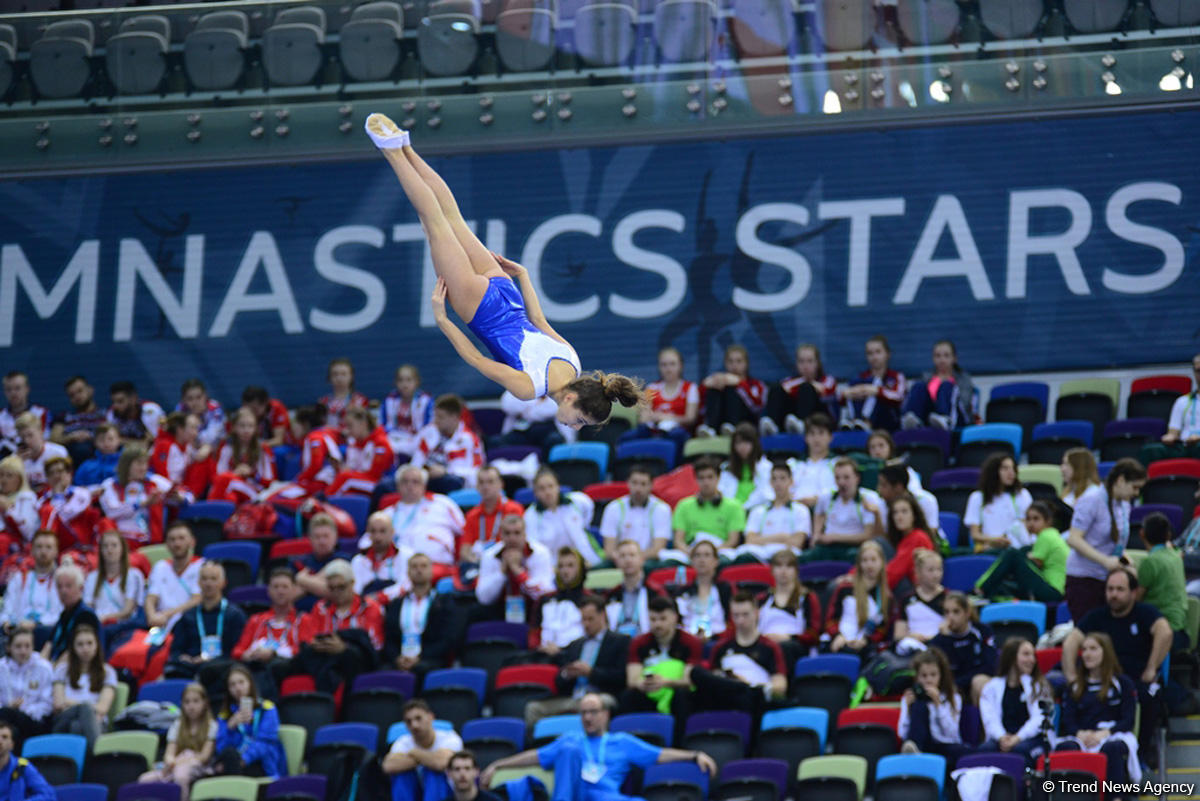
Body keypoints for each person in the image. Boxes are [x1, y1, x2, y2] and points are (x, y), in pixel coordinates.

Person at [366, 113, 643, 423]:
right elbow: (474, 358)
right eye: (579, 420)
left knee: (452, 217)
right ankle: (391, 149)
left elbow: (537, 318)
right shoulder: (529, 388)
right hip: (479, 308)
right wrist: (443, 320)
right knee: (435, 224)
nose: (574, 426)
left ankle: (406, 147)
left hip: (506, 291)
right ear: (570, 398)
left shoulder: (574, 362)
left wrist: (523, 275)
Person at [481, 692, 717, 801]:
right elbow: (535, 756)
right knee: (569, 748)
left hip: (605, 796)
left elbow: (659, 755)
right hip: (575, 794)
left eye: (593, 712)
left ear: (605, 714)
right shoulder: (570, 739)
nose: (587, 718)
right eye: (583, 713)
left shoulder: (621, 742)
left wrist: (694, 755)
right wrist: (498, 764)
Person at [1062, 567, 1172, 768]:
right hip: (1098, 676)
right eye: (1110, 589)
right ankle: (1077, 748)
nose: (1114, 594)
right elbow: (1071, 642)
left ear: (1133, 592)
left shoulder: (1145, 613)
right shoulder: (1097, 616)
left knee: (1149, 696)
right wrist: (1071, 676)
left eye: (1120, 589)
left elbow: (1165, 632)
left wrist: (1151, 668)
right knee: (1064, 690)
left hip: (1135, 678)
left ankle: (1141, 753)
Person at [1063, 458, 1147, 622]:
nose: (1136, 493)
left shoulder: (1124, 504)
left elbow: (1116, 542)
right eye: (1134, 487)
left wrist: (1125, 560)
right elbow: (1073, 539)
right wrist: (1104, 560)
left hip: (1106, 578)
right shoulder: (1091, 499)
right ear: (1121, 480)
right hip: (1084, 579)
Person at [526, 596, 631, 726]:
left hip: (601, 695)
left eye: (590, 619)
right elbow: (559, 679)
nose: (586, 624)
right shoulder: (576, 644)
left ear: (602, 615)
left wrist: (591, 673)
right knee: (533, 709)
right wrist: (567, 674)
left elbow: (621, 677)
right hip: (573, 697)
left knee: (600, 702)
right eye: (583, 619)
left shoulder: (620, 641)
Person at [1055, 632, 1140, 783]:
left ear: (1106, 652)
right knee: (1067, 746)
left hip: (1113, 734)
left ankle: (1116, 797)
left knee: (1112, 748)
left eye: (1093, 649)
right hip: (1083, 737)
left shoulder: (1123, 683)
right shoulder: (1075, 686)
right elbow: (1068, 720)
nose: (1087, 654)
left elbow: (1128, 720)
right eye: (1084, 649)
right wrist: (1080, 733)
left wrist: (1104, 733)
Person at [290, 560, 384, 693]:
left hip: (358, 661)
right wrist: (320, 645)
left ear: (352, 584)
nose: (337, 592)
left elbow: (375, 646)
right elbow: (310, 639)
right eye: (331, 588)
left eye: (341, 587)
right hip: (325, 659)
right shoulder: (320, 607)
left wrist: (344, 647)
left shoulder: (370, 607)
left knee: (351, 655)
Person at [690, 591, 788, 718]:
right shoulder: (721, 647)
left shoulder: (769, 647)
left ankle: (743, 688)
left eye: (745, 615)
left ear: (757, 613)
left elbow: (780, 687)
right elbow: (713, 678)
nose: (740, 620)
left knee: (746, 694)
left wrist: (750, 685)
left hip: (753, 699)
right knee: (696, 673)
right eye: (736, 615)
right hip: (723, 698)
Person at [165, 562, 247, 690]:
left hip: (221, 669)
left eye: (213, 579)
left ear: (223, 583)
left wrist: (209, 660)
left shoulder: (235, 615)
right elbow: (176, 650)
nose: (208, 583)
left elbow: (236, 651)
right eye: (204, 579)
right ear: (198, 583)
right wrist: (185, 657)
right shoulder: (188, 616)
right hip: (190, 668)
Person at [383, 553, 462, 684]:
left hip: (430, 659)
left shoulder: (444, 602)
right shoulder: (396, 604)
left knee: (422, 670)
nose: (419, 570)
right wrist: (397, 658)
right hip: (401, 657)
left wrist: (420, 657)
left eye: (423, 566)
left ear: (431, 571)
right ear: (408, 572)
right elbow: (389, 638)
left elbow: (448, 638)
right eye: (414, 566)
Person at [619, 596, 703, 720]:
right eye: (653, 619)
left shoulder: (690, 642)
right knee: (629, 695)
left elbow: (689, 680)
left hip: (675, 691)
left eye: (663, 619)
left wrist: (665, 682)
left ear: (675, 617)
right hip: (649, 691)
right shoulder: (639, 643)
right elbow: (632, 680)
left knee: (683, 695)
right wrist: (643, 684)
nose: (657, 624)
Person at [974, 501, 1068, 602]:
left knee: (1013, 554)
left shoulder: (1046, 535)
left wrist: (1022, 557)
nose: (1031, 523)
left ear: (1048, 521)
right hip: (1054, 589)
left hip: (1053, 592)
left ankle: (982, 588)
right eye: (1028, 519)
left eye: (1036, 519)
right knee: (1021, 552)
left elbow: (1036, 564)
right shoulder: (1052, 535)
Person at [979, 638, 1052, 766]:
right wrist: (1002, 737)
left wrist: (1017, 738)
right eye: (1026, 654)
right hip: (1002, 738)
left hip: (1032, 739)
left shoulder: (1039, 686)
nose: (1032, 660)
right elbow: (989, 719)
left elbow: (1039, 719)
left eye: (1033, 655)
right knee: (984, 751)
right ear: (1012, 657)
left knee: (1020, 751)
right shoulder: (991, 687)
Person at [138, 682, 217, 801]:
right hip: (175, 765)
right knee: (144, 780)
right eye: (187, 702)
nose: (191, 706)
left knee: (181, 776)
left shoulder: (211, 726)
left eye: (196, 701)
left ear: (205, 703)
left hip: (198, 766)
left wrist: (180, 762)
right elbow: (169, 754)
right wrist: (170, 762)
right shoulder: (177, 725)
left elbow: (203, 757)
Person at [231, 568, 301, 698]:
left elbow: (303, 652)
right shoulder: (256, 620)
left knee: (272, 668)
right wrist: (247, 654)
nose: (280, 591)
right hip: (254, 664)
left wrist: (274, 653)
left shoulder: (303, 620)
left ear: (294, 590)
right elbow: (238, 651)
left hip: (284, 667)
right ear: (268, 591)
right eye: (276, 587)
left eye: (285, 587)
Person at [380, 466, 464, 572]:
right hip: (398, 567)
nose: (410, 486)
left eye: (415, 482)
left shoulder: (443, 504)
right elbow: (367, 542)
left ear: (424, 485)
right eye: (405, 482)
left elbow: (465, 531)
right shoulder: (387, 514)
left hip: (436, 564)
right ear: (397, 486)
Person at [475, 515, 554, 624]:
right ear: (501, 536)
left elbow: (544, 595)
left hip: (532, 609)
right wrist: (501, 573)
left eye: (517, 533)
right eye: (507, 533)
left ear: (525, 534)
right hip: (499, 609)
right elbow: (484, 598)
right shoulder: (490, 556)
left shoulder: (540, 553)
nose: (512, 538)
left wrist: (518, 571)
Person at [898, 648, 972, 762]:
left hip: (944, 745)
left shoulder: (953, 697)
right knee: (919, 706)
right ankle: (916, 755)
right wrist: (908, 710)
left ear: (941, 675)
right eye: (924, 676)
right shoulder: (910, 698)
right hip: (921, 745)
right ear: (917, 677)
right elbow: (902, 734)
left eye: (933, 675)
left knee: (966, 751)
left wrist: (938, 705)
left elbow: (952, 734)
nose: (929, 680)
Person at [98, 444, 181, 546]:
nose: (144, 468)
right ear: (126, 465)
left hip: (149, 541)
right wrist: (143, 503)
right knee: (104, 522)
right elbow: (112, 512)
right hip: (121, 542)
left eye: (145, 463)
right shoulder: (110, 484)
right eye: (139, 463)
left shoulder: (155, 481)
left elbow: (187, 496)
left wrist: (178, 497)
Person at [215, 663, 287, 778]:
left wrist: (244, 760)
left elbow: (265, 743)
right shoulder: (225, 715)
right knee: (228, 756)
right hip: (233, 761)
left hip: (261, 763)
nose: (237, 688)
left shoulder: (267, 709)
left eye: (241, 682)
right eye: (232, 685)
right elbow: (221, 748)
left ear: (250, 684)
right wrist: (230, 727)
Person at [666, 457, 745, 561]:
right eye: (701, 478)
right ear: (695, 479)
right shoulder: (684, 505)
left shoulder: (734, 506)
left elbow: (732, 541)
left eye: (710, 477)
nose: (706, 482)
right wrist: (694, 554)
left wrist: (709, 555)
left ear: (718, 478)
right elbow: (678, 541)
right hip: (691, 551)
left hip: (721, 551)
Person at [384, 700, 464, 801]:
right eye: (409, 721)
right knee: (402, 776)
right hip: (414, 791)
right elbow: (388, 766)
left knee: (434, 773)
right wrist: (429, 758)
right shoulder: (402, 741)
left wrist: (414, 753)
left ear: (431, 717)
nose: (414, 725)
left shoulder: (450, 737)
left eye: (418, 718)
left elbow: (441, 763)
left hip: (446, 792)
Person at [807, 458, 883, 563]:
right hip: (828, 547)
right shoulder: (826, 497)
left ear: (857, 478)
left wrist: (835, 537)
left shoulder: (868, 498)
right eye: (837, 478)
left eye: (846, 478)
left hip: (855, 547)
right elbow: (819, 514)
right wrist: (816, 534)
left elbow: (868, 535)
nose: (841, 482)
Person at [50, 625, 114, 749]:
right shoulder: (62, 670)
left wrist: (70, 702)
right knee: (84, 709)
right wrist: (83, 707)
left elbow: (102, 708)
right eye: (80, 644)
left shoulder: (108, 672)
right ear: (73, 648)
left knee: (77, 726)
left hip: (97, 723)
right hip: (64, 720)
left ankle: (77, 765)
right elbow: (58, 704)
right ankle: (98, 753)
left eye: (89, 643)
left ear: (97, 645)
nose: (85, 649)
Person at [736, 461, 812, 563]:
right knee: (743, 555)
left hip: (787, 556)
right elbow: (750, 540)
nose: (778, 483)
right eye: (774, 479)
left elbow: (797, 542)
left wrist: (762, 539)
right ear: (770, 483)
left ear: (791, 481)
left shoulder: (801, 510)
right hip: (760, 555)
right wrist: (783, 537)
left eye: (782, 478)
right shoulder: (758, 510)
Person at [825, 541, 890, 658]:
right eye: (864, 560)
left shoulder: (886, 596)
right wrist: (838, 636)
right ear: (859, 564)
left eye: (873, 560)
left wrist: (866, 641)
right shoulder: (845, 588)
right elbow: (831, 619)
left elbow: (882, 629)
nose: (869, 565)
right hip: (841, 640)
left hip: (866, 645)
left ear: (882, 562)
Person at [261, 405, 340, 502]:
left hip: (320, 484)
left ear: (305, 425)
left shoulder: (314, 438)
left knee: (272, 498)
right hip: (319, 483)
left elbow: (316, 465)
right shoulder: (320, 434)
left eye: (295, 424)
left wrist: (298, 480)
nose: (293, 429)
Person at [84, 529, 146, 652]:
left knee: (105, 632)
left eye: (114, 545)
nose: (109, 550)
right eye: (105, 546)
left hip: (123, 624)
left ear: (122, 549)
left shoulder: (133, 575)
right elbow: (88, 606)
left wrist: (106, 618)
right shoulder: (92, 577)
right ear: (100, 551)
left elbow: (127, 610)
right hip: (98, 623)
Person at [758, 549, 822, 669]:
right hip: (765, 644)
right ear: (772, 570)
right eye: (779, 566)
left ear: (796, 571)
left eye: (789, 566)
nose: (783, 571)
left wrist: (789, 637)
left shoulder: (808, 598)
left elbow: (814, 634)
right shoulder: (762, 599)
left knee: (784, 648)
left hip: (795, 647)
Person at [524, 467, 600, 566]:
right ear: (535, 493)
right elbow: (534, 547)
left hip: (587, 560)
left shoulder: (578, 501)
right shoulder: (530, 516)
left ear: (558, 486)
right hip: (553, 567)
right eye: (542, 488)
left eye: (551, 486)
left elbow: (588, 514)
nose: (547, 492)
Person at [929, 591, 995, 704]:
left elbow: (990, 666)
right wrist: (946, 639)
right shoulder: (939, 640)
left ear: (967, 613)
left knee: (979, 682)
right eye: (947, 612)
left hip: (973, 682)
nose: (951, 617)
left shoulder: (982, 631)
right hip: (952, 687)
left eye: (956, 612)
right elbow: (940, 671)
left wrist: (960, 682)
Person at [761, 343, 838, 437]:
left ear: (817, 363)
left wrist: (809, 384)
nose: (805, 366)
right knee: (776, 389)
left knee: (806, 388)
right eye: (801, 361)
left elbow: (825, 390)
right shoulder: (789, 380)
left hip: (818, 419)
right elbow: (784, 388)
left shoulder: (828, 380)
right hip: (790, 420)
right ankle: (772, 426)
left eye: (810, 361)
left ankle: (802, 424)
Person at [599, 466, 672, 563]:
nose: (638, 488)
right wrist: (626, 560)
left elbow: (657, 550)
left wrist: (632, 560)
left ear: (651, 486)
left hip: (648, 562)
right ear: (628, 483)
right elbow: (609, 551)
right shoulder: (613, 508)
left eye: (643, 484)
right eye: (634, 483)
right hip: (619, 561)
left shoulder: (662, 509)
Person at [1, 530, 61, 646]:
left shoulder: (60, 579)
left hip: (47, 633)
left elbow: (61, 614)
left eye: (48, 547)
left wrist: (36, 624)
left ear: (56, 551)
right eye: (39, 547)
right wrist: (6, 623)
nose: (43, 551)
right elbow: (7, 609)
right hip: (18, 630)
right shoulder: (19, 578)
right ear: (32, 550)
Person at [1136, 512, 1188, 646]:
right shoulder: (1176, 556)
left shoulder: (1150, 562)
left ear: (1142, 534)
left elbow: (1135, 599)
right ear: (1168, 535)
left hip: (1161, 632)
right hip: (1181, 629)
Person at [901, 339, 976, 430]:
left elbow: (965, 404)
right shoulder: (926, 378)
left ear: (954, 358)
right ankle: (912, 422)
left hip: (956, 417)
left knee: (946, 386)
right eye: (938, 356)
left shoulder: (963, 379)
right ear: (933, 358)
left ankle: (945, 419)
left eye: (946, 355)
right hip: (930, 418)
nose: (942, 360)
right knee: (918, 386)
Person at [965, 454, 1033, 553]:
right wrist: (994, 540)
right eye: (1005, 468)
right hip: (989, 548)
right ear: (993, 471)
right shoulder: (977, 497)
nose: (1011, 473)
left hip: (1016, 548)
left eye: (1013, 469)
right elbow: (975, 534)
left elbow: (1029, 526)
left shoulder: (1022, 495)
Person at [208, 408, 276, 505]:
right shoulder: (227, 445)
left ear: (256, 428)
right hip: (232, 485)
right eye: (242, 426)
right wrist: (236, 473)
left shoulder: (262, 448)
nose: (246, 430)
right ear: (234, 427)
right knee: (230, 498)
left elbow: (269, 481)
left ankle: (208, 514)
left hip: (256, 492)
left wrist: (251, 474)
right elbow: (218, 475)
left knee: (227, 479)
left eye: (250, 426)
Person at [839, 335, 907, 432]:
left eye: (878, 352)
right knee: (853, 389)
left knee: (876, 388)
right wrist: (847, 393)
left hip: (887, 421)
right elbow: (841, 397)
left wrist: (877, 391)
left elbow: (899, 397)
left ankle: (866, 423)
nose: (874, 357)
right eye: (870, 353)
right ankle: (852, 423)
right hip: (858, 419)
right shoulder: (860, 378)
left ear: (887, 354)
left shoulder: (896, 376)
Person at [634, 347, 699, 449]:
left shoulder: (690, 388)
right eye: (664, 365)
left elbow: (690, 418)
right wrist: (657, 419)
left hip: (677, 434)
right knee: (630, 436)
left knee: (676, 436)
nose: (668, 369)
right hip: (653, 431)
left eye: (672, 364)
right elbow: (643, 418)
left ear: (681, 366)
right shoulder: (651, 388)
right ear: (659, 367)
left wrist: (665, 417)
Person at [1141, 353, 1200, 463]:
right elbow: (1173, 432)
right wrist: (1170, 437)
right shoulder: (1182, 401)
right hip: (1185, 446)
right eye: (1198, 371)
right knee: (1150, 450)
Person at [459, 466, 524, 567]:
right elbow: (465, 550)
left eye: (490, 482)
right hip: (479, 564)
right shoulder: (472, 515)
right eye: (481, 482)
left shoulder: (514, 509)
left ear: (501, 484)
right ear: (476, 486)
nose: (485, 487)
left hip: (507, 562)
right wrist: (478, 561)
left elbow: (520, 543)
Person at [697, 344, 767, 437]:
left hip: (745, 424)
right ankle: (711, 429)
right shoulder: (719, 382)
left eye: (739, 361)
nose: (734, 365)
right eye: (730, 361)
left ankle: (732, 426)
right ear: (725, 363)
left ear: (746, 363)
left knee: (731, 389)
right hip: (720, 424)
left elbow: (757, 407)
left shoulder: (756, 385)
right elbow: (699, 410)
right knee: (715, 389)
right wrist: (704, 386)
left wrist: (740, 384)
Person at [145, 521, 203, 632]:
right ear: (166, 544)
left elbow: (197, 600)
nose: (177, 543)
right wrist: (151, 616)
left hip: (189, 625)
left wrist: (166, 614)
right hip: (159, 624)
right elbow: (151, 597)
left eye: (181, 538)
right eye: (172, 539)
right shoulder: (160, 566)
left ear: (192, 542)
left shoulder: (202, 566)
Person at [603, 540, 667, 638]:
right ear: (616, 562)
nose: (628, 560)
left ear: (642, 559)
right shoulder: (611, 594)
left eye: (632, 555)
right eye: (623, 556)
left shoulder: (655, 592)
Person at [0, 630, 54, 746]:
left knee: (10, 715)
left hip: (33, 721)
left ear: (33, 647)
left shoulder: (43, 668)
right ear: (9, 647)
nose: (23, 651)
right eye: (18, 646)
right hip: (4, 719)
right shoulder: (1, 668)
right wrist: (8, 707)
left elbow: (47, 704)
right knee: (7, 718)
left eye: (27, 646)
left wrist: (23, 710)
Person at [327, 407, 395, 497]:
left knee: (345, 478)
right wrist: (338, 468)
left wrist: (347, 474)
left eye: (350, 426)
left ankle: (323, 502)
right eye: (346, 426)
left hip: (380, 484)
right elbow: (350, 469)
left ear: (363, 423)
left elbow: (375, 474)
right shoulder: (353, 444)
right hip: (360, 481)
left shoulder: (380, 443)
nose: (347, 431)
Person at [671, 541, 731, 640]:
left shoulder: (725, 589)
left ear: (716, 561)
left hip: (718, 639)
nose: (702, 560)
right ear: (692, 561)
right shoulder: (682, 591)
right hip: (688, 640)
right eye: (697, 555)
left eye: (707, 555)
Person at [37, 456, 97, 554]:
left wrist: (58, 495)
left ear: (70, 474)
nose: (57, 476)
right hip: (57, 539)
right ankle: (46, 548)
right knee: (47, 510)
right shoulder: (42, 500)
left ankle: (45, 547)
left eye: (60, 471)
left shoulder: (82, 493)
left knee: (48, 510)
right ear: (47, 479)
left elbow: (66, 514)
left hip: (78, 540)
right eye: (52, 473)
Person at [892, 549, 947, 655]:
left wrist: (934, 637)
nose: (936, 575)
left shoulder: (948, 598)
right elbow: (898, 635)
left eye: (939, 570)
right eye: (931, 570)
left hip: (939, 646)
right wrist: (911, 636)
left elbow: (951, 627)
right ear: (917, 572)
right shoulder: (906, 599)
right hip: (913, 646)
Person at [352, 511, 414, 601]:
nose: (378, 537)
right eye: (373, 531)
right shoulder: (358, 560)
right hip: (367, 606)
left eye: (382, 531)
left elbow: (406, 585)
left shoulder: (406, 556)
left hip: (395, 604)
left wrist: (380, 597)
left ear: (392, 532)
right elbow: (355, 590)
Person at [42, 564, 99, 662]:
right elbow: (49, 644)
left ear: (80, 588)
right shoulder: (64, 614)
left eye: (68, 586)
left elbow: (73, 652)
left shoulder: (86, 616)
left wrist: (54, 671)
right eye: (60, 587)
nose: (63, 591)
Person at [535, 547, 588, 653]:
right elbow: (534, 632)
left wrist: (561, 650)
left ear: (581, 569)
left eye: (570, 566)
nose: (565, 571)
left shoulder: (590, 600)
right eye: (561, 566)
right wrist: (539, 647)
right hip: (544, 653)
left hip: (576, 655)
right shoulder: (544, 599)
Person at [294, 514, 354, 602]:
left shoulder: (345, 560)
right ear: (310, 538)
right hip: (300, 614)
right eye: (317, 537)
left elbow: (338, 594)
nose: (322, 541)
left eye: (326, 536)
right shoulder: (298, 562)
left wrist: (302, 580)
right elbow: (286, 597)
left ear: (336, 537)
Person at [149, 412, 209, 500]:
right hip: (164, 493)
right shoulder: (165, 445)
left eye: (197, 429)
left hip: (180, 490)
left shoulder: (187, 447)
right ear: (180, 429)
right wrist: (175, 492)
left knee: (205, 462)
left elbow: (199, 458)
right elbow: (161, 475)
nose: (196, 433)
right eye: (192, 428)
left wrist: (208, 447)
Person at [884, 493, 936, 592]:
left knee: (880, 543)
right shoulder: (902, 539)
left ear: (914, 515)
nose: (899, 517)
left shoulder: (918, 537)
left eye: (904, 511)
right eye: (895, 512)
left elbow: (895, 572)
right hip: (905, 586)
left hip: (916, 591)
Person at [491, 391, 568, 457]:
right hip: (520, 432)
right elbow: (507, 405)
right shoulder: (517, 384)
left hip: (546, 431)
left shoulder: (553, 386)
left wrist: (527, 410)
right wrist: (535, 404)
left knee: (555, 440)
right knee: (495, 441)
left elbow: (553, 408)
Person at [383, 365, 435, 460]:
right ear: (396, 383)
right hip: (396, 439)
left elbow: (430, 426)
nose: (404, 384)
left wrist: (416, 438)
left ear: (417, 382)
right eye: (400, 380)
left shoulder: (425, 400)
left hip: (417, 439)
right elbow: (383, 425)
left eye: (409, 380)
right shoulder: (389, 400)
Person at [53, 375, 105, 466]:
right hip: (73, 461)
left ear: (90, 390)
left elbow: (114, 436)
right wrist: (71, 437)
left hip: (100, 459)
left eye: (80, 391)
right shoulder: (63, 417)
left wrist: (92, 437)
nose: (77, 397)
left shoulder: (105, 414)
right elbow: (53, 439)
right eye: (72, 395)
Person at [875, 463, 938, 537]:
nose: (878, 489)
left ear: (898, 487)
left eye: (883, 485)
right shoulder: (880, 503)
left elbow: (931, 533)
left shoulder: (926, 500)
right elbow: (882, 538)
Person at [716, 423, 771, 507]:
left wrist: (744, 508)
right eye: (738, 443)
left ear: (755, 443)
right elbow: (721, 491)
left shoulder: (766, 467)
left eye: (746, 442)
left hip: (755, 511)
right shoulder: (726, 467)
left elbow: (765, 494)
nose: (742, 447)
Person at [0, 720, 54, 801]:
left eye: (4, 737)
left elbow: (48, 795)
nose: (0, 741)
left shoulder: (22, 766)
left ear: (12, 745)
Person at [0, 371, 50, 458]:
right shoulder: (1, 416)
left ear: (27, 389)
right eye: (9, 389)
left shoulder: (41, 413)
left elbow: (46, 441)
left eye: (17, 388)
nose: (13, 393)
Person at [16, 412, 68, 493]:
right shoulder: (16, 458)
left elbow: (65, 483)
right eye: (22, 437)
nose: (26, 441)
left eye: (30, 435)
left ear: (41, 431)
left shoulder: (58, 452)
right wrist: (18, 464)